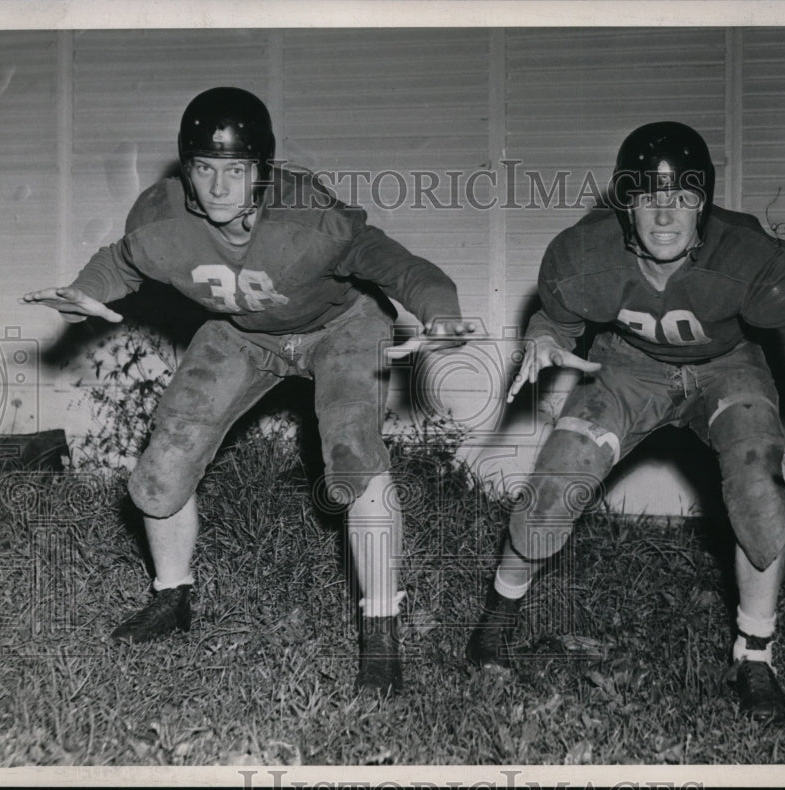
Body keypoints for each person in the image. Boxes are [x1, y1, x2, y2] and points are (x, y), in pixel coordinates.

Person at [23, 86, 474, 696]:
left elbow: (397, 264)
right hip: (243, 333)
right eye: (203, 169)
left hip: (339, 327)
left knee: (354, 461)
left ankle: (382, 632)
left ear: (261, 170)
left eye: (234, 170)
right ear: (187, 171)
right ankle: (171, 597)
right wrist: (85, 292)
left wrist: (439, 310)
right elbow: (123, 260)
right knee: (161, 471)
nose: (217, 187)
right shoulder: (162, 217)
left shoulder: (308, 215)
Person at [465, 121, 785, 723]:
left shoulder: (751, 257)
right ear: (624, 204)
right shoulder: (582, 256)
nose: (664, 215)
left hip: (727, 366)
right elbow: (557, 318)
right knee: (560, 477)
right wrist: (545, 340)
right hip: (627, 366)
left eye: (682, 198)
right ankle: (496, 620)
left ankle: (755, 655)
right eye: (648, 198)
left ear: (704, 204)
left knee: (758, 485)